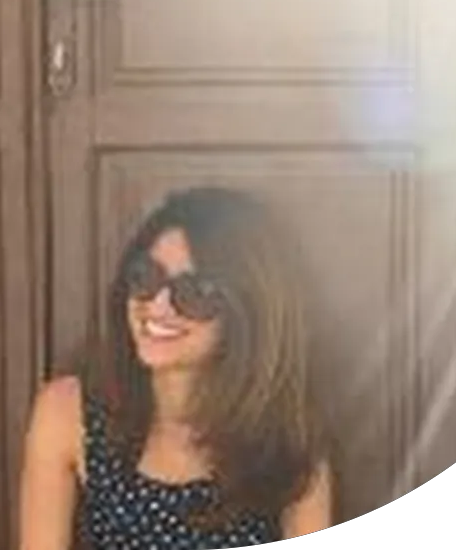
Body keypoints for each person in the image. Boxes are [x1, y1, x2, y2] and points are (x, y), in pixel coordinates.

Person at [18, 187, 334, 549]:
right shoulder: (68, 411)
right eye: (146, 277)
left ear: (246, 312)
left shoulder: (287, 437)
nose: (158, 305)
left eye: (195, 292)